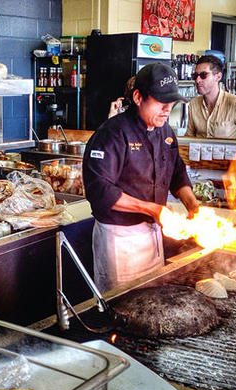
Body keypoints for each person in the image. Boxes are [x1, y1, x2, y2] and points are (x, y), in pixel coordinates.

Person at [83, 62, 200, 292]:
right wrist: (152, 209)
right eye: (161, 102)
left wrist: (193, 205)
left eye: (172, 103)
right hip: (120, 240)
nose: (168, 109)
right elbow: (100, 191)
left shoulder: (165, 131)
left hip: (153, 235)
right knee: (123, 308)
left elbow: (176, 172)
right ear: (138, 98)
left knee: (152, 303)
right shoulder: (112, 133)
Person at [185, 55, 236, 140]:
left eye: (203, 75)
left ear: (218, 77)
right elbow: (189, 137)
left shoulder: (235, 103)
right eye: (195, 76)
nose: (197, 80)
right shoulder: (194, 104)